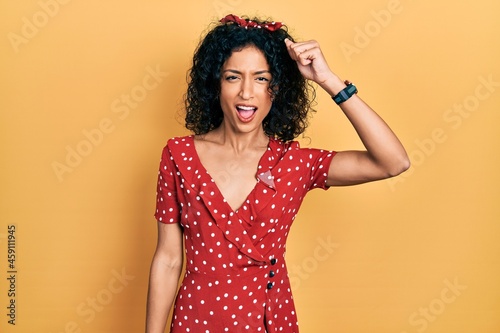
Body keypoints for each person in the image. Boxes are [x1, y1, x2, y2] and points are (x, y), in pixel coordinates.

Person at [146, 14, 410, 333]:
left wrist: (329, 80)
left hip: (269, 322)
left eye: (261, 78)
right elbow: (169, 260)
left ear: (278, 88)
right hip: (197, 321)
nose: (247, 93)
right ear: (215, 83)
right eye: (233, 77)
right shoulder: (178, 156)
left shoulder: (295, 163)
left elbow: (393, 162)